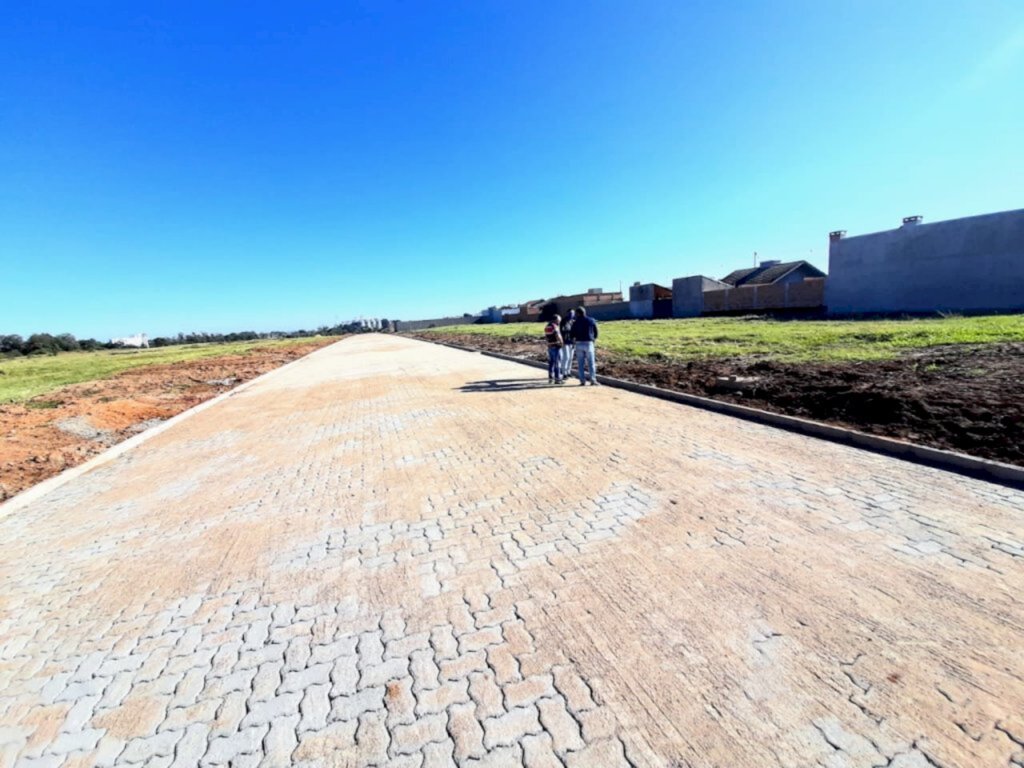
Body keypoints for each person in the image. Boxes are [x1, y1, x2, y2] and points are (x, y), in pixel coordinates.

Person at [570, 306, 599, 385]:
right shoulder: (591, 320)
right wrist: (593, 339)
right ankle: (593, 380)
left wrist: (573, 340)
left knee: (580, 363)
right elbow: (596, 332)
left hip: (579, 343)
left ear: (578, 313)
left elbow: (572, 334)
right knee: (591, 363)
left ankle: (582, 381)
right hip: (589, 343)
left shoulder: (575, 322)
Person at [543, 314, 565, 384]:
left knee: (551, 363)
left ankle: (550, 378)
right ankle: (557, 379)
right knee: (557, 363)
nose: (559, 322)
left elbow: (546, 337)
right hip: (556, 346)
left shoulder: (547, 326)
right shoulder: (555, 326)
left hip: (550, 346)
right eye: (559, 321)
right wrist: (562, 343)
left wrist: (548, 343)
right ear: (556, 320)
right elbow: (558, 335)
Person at [559, 309, 575, 379]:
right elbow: (562, 331)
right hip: (565, 341)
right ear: (567, 313)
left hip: (572, 342)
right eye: (571, 313)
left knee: (571, 358)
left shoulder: (572, 321)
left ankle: (568, 372)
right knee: (566, 357)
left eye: (573, 313)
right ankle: (563, 372)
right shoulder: (564, 321)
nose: (572, 314)